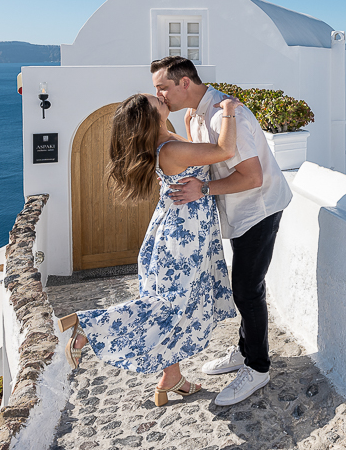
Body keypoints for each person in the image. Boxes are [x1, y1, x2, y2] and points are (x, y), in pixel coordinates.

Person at [56, 92, 240, 406]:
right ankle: (86, 326)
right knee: (169, 306)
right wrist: (229, 112)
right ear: (149, 117)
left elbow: (190, 155)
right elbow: (225, 150)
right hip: (183, 238)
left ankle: (172, 377)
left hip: (174, 232)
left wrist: (187, 121)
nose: (158, 96)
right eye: (153, 100)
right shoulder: (171, 149)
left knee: (172, 309)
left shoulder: (167, 141)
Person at [152, 55, 293, 406]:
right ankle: (245, 350)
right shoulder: (193, 115)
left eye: (163, 87)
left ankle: (258, 368)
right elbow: (205, 158)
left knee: (247, 290)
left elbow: (253, 177)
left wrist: (202, 191)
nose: (160, 94)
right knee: (242, 287)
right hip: (236, 210)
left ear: (185, 82)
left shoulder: (227, 115)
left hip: (258, 208)